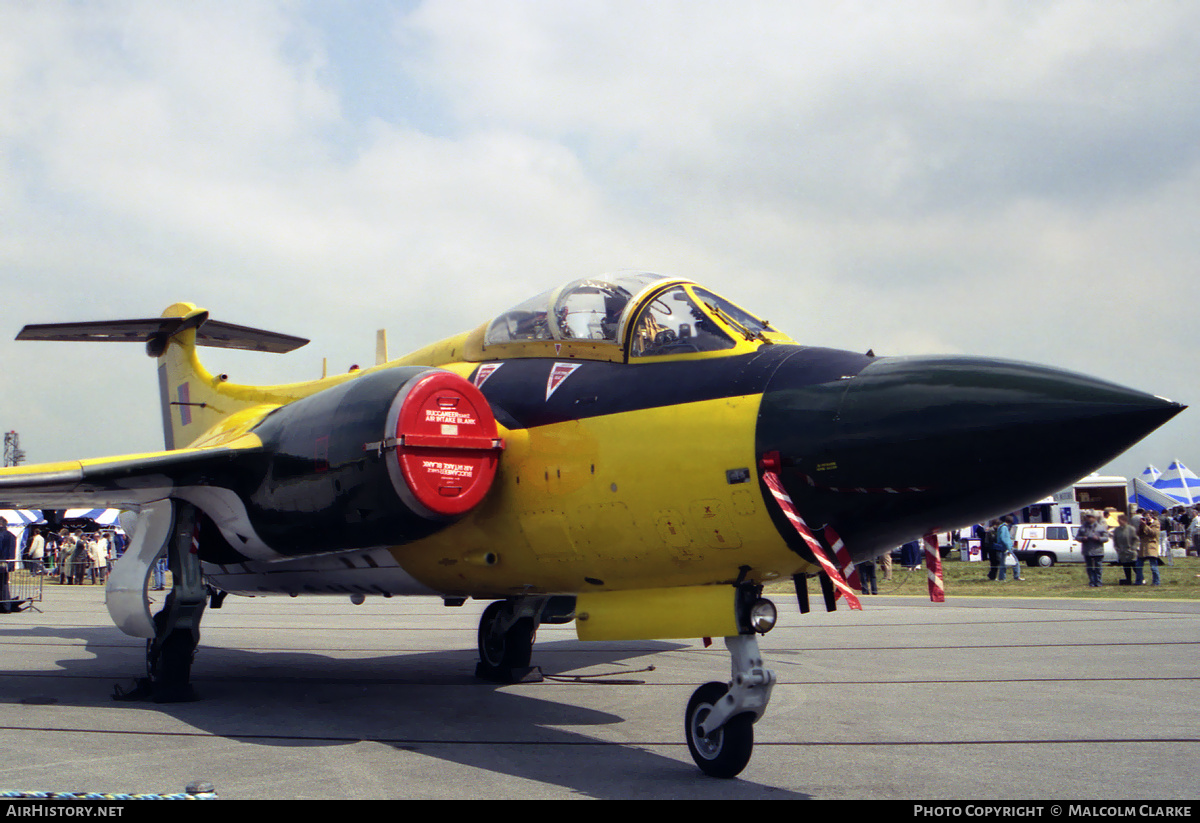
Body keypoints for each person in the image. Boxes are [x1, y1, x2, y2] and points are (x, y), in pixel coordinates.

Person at [1077, 512, 1110, 587]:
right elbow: (1077, 537)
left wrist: (1098, 538)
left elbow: (1106, 538)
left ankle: (1098, 582)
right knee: (1089, 568)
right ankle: (1092, 582)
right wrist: (1082, 538)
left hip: (1098, 551)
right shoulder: (1083, 527)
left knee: (1098, 567)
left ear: (1094, 518)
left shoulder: (1100, 527)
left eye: (1090, 517)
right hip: (1087, 551)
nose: (1089, 518)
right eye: (1087, 517)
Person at [1111, 513, 1138, 586]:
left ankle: (1140, 579)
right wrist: (1117, 548)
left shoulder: (1131, 529)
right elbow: (1115, 540)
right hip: (1122, 552)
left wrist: (1133, 548)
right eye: (1118, 520)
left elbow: (1135, 539)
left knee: (1134, 566)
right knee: (1126, 567)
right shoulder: (1117, 530)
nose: (1119, 522)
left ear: (1125, 520)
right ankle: (1128, 580)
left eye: (1120, 520)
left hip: (1131, 552)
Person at [1136, 511, 1162, 586]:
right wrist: (1141, 525)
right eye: (1145, 516)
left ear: (1151, 516)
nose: (1146, 518)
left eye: (1148, 516)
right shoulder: (1143, 524)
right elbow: (1138, 533)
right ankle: (1139, 581)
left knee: (1153, 566)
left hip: (1151, 547)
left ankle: (1156, 582)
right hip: (1143, 547)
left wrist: (1145, 526)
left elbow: (1153, 533)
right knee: (1138, 565)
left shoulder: (1156, 523)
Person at [0, 517, 20, 613]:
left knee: (3, 586)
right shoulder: (11, 535)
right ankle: (6, 605)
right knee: (4, 585)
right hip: (7, 563)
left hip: (1, 562)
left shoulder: (1, 535)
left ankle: (5, 606)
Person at [996, 517, 1022, 581]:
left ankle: (1001, 578)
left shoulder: (1001, 526)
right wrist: (1008, 548)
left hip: (1003, 547)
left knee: (1003, 563)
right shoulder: (1004, 527)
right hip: (1006, 548)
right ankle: (1016, 576)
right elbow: (1004, 538)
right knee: (1016, 562)